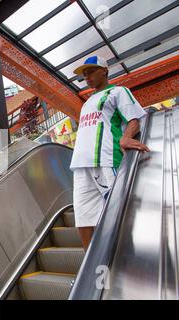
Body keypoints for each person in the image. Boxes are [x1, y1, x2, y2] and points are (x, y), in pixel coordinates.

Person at [70, 55, 150, 250]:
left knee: (118, 209)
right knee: (83, 215)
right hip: (80, 163)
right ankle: (89, 263)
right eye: (84, 74)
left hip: (105, 158)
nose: (86, 77)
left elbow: (134, 118)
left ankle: (128, 252)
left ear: (104, 71)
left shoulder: (118, 91)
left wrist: (126, 137)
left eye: (90, 72)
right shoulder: (87, 102)